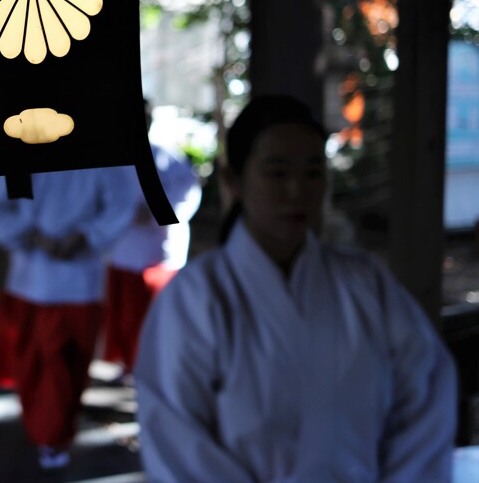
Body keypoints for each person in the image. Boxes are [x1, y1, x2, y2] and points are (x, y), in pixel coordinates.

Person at [133, 93, 457, 483]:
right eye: (277, 172)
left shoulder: (366, 284)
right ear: (233, 180)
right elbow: (174, 437)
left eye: (313, 172)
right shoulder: (196, 298)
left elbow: (426, 396)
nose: (297, 191)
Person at [0, 166, 140, 471]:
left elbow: (122, 201)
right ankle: (48, 433)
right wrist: (63, 237)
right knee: (48, 367)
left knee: (58, 368)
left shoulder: (99, 162)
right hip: (41, 282)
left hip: (66, 284)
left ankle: (49, 433)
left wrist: (77, 236)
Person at [101, 99, 203, 379]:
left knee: (155, 318)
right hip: (123, 250)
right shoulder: (112, 159)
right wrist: (121, 217)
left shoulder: (167, 156)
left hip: (157, 252)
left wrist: (155, 212)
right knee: (126, 317)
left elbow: (189, 193)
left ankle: (155, 368)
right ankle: (130, 366)